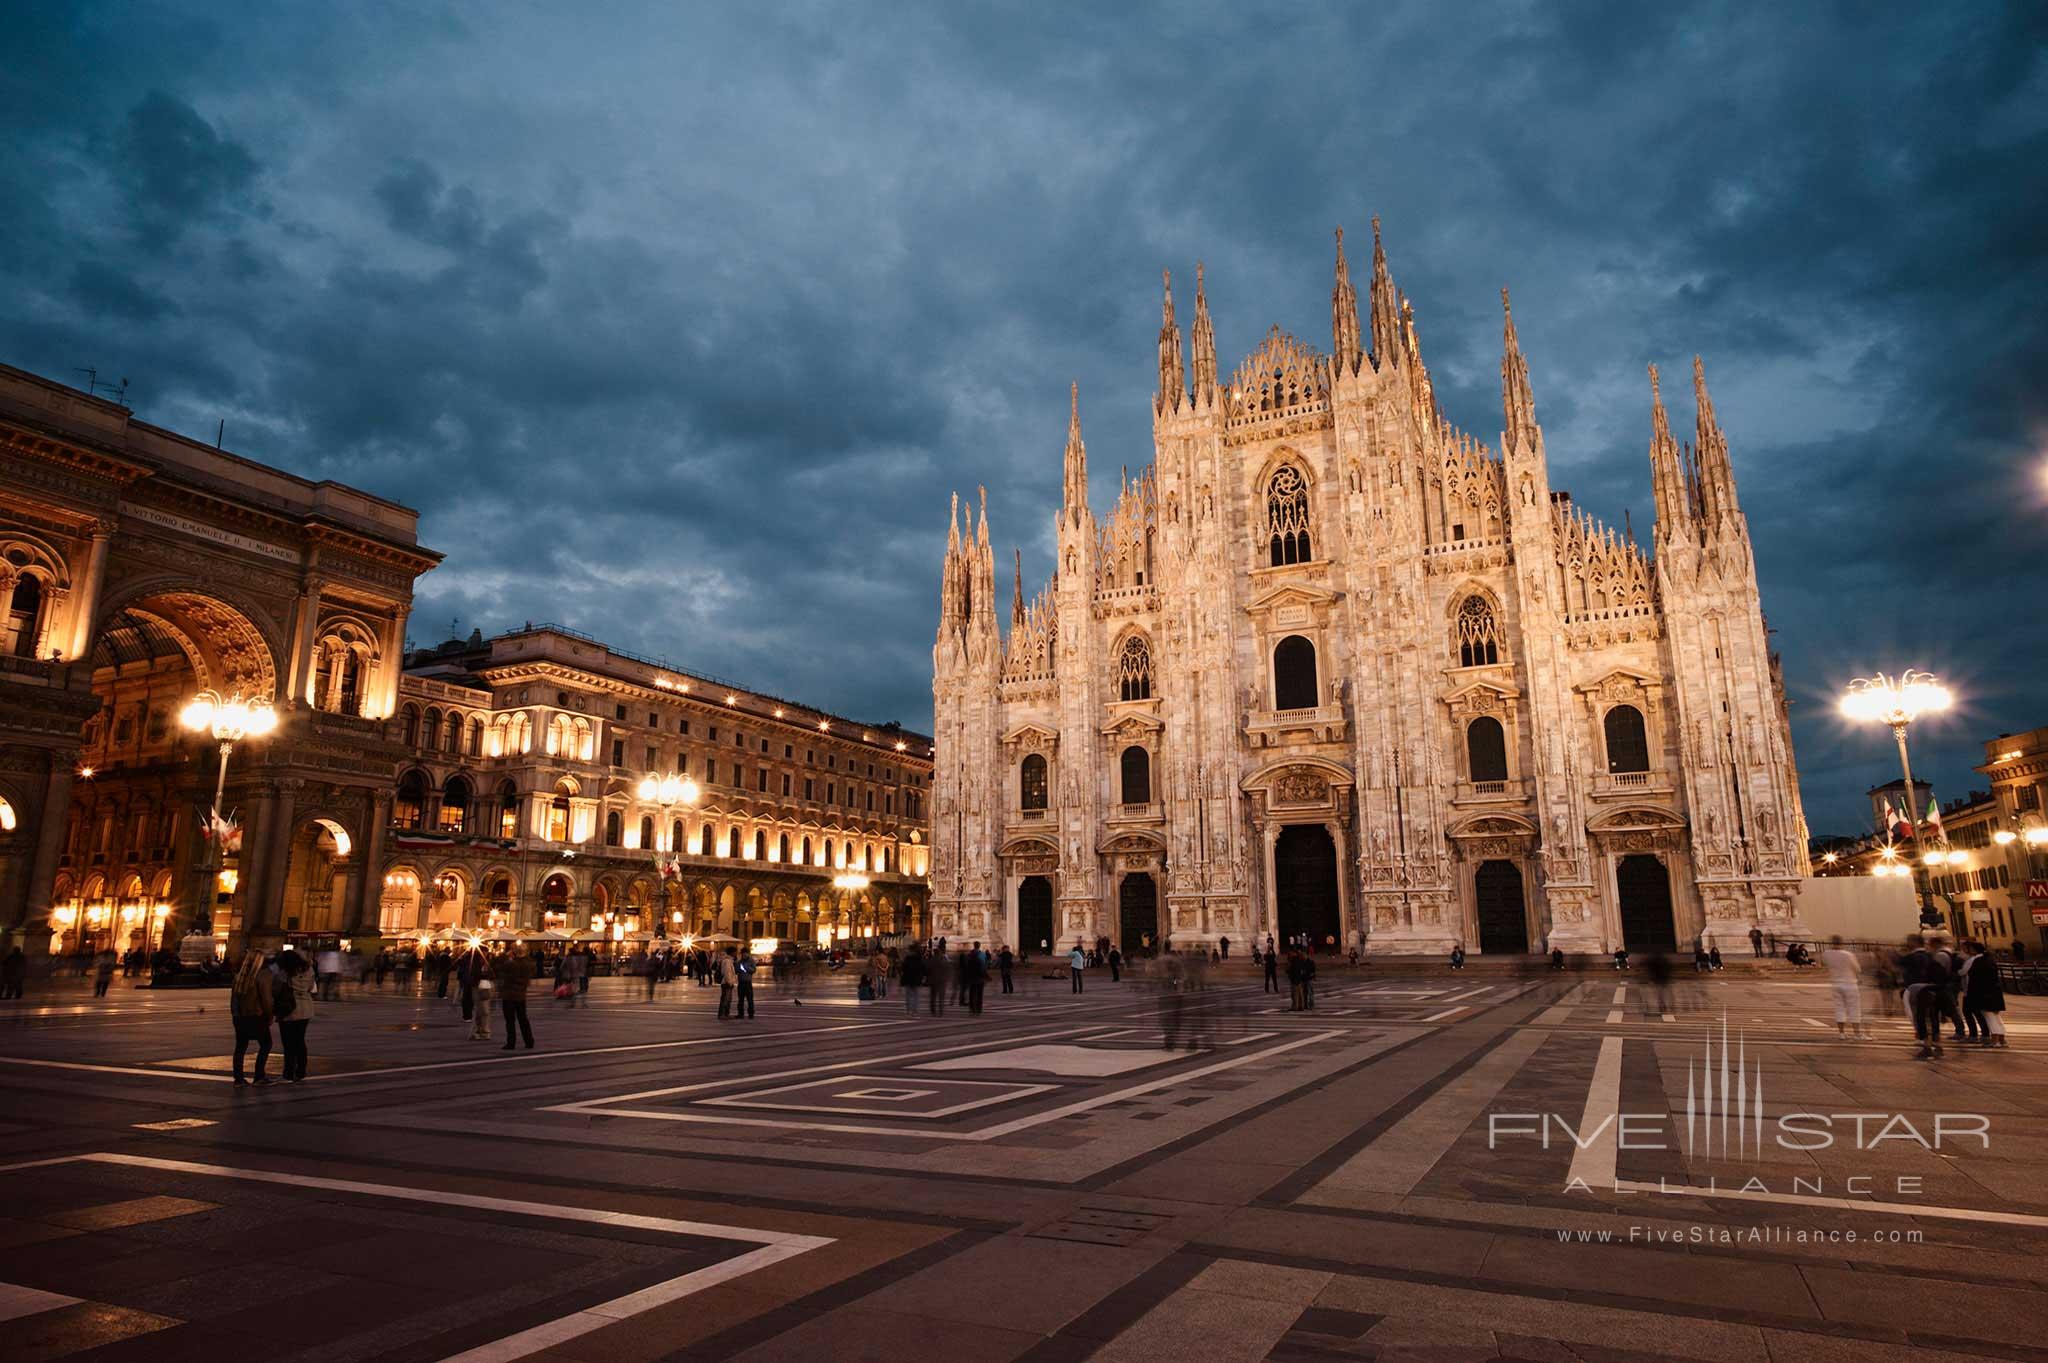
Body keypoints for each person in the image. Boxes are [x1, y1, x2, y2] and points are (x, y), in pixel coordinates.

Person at [229, 949, 275, 1085]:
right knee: (266, 1044)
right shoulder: (261, 976)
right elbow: (266, 999)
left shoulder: (239, 977)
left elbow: (233, 1001)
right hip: (257, 1016)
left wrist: (236, 1016)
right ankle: (259, 1076)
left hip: (240, 1017)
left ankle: (238, 1079)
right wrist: (270, 1015)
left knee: (240, 1048)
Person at [277, 951, 316, 1081]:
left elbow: (278, 988)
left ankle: (288, 1072)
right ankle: (301, 1071)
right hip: (306, 1008)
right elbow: (311, 987)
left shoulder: (284, 972)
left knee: (288, 1043)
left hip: (289, 1009)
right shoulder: (308, 969)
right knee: (300, 1041)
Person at [1962, 939, 2008, 1048]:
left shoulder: (1977, 961)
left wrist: (1970, 993)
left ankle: (1995, 1040)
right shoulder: (1990, 959)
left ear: (1974, 950)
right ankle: (2002, 1039)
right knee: (1996, 1017)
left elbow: (1974, 979)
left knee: (1989, 1017)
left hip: (1983, 993)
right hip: (1995, 992)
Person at [1820, 935, 1866, 1039]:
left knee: (1839, 1008)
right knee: (1854, 1008)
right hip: (1849, 983)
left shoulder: (1826, 954)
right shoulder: (1848, 955)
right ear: (1842, 943)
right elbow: (1857, 969)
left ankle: (1841, 1033)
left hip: (1835, 983)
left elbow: (1824, 963)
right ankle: (1857, 1033)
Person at [497, 942, 535, 1050]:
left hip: (509, 995)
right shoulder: (529, 964)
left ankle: (511, 1042)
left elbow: (498, 966)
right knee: (523, 1019)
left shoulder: (511, 964)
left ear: (514, 952)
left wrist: (506, 956)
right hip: (521, 995)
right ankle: (529, 1041)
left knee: (510, 1021)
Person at [900, 942, 928, 1015]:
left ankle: (908, 1010)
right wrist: (924, 976)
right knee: (916, 996)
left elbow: (903, 968)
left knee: (908, 996)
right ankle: (915, 1011)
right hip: (917, 979)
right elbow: (924, 968)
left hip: (908, 978)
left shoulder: (907, 958)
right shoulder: (920, 958)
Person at [734, 948, 757, 1019]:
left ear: (748, 954)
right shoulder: (739, 961)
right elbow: (736, 971)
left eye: (745, 953)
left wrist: (746, 968)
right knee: (740, 999)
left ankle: (751, 1013)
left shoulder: (751, 961)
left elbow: (754, 970)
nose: (743, 955)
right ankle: (740, 1014)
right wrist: (738, 967)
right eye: (742, 953)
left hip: (748, 982)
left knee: (750, 999)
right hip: (741, 982)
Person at [717, 948, 737, 1018]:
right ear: (732, 953)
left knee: (727, 999)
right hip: (726, 983)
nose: (736, 954)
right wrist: (730, 982)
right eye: (735, 952)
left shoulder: (729, 960)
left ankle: (725, 1014)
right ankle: (723, 1014)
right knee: (726, 999)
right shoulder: (727, 961)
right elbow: (727, 972)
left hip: (727, 982)